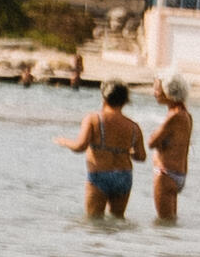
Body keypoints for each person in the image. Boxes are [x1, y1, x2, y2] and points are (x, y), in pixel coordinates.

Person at [57, 81, 147, 220]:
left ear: (104, 97)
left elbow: (80, 146)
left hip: (100, 174)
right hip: (124, 176)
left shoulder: (93, 119)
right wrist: (124, 151)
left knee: (93, 221)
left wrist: (64, 142)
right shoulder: (134, 127)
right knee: (117, 220)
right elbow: (141, 156)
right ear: (125, 101)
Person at [148, 78, 194, 224]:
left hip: (165, 174)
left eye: (157, 90)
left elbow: (151, 142)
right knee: (170, 224)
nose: (154, 93)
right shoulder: (186, 115)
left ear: (169, 92)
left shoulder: (174, 116)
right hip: (178, 173)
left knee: (163, 225)